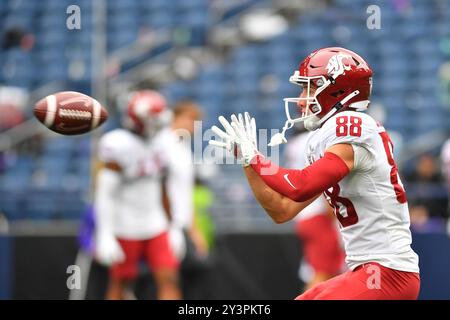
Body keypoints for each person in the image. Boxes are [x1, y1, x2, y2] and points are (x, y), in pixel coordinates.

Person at [210, 47, 420, 300]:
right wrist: (246, 161)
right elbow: (281, 209)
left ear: (338, 89)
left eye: (309, 88)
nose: (301, 99)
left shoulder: (353, 127)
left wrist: (255, 156)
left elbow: (299, 186)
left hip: (386, 272)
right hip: (367, 270)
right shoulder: (327, 137)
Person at [94, 90, 181, 300]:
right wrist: (104, 233)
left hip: (156, 224)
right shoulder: (117, 144)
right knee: (120, 284)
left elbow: (167, 186)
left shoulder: (165, 141)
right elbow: (105, 193)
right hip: (125, 226)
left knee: (169, 279)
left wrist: (175, 225)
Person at [284, 127, 345, 291]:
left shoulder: (295, 143)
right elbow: (326, 179)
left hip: (304, 214)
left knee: (328, 276)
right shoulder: (317, 138)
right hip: (318, 215)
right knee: (322, 275)